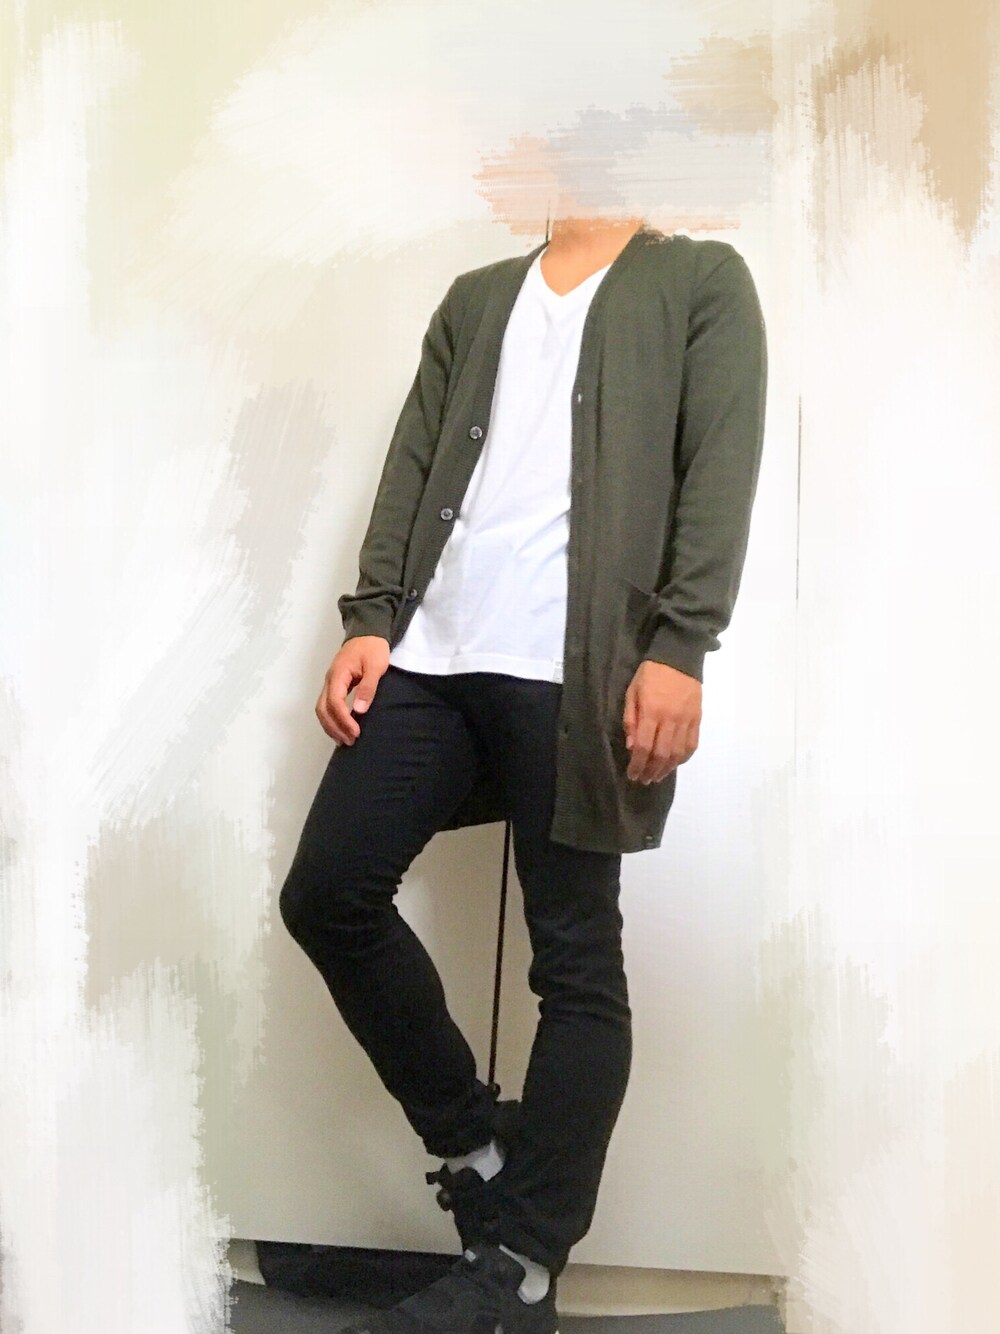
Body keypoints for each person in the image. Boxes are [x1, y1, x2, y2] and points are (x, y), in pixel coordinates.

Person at [278, 213, 768, 1334]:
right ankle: (475, 1147)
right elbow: (414, 459)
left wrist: (681, 643)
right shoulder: (478, 293)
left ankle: (524, 1267)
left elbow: (719, 462)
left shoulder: (700, 278)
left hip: (579, 665)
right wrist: (372, 616)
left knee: (575, 960)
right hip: (435, 653)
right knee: (329, 891)